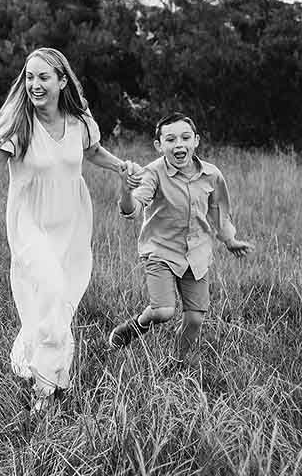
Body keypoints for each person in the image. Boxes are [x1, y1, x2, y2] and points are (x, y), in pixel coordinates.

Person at [0, 47, 140, 411]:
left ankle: (38, 361)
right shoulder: (19, 124)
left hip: (72, 222)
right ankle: (45, 388)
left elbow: (92, 150)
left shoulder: (79, 122)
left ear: (62, 81)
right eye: (29, 77)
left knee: (59, 303)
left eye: (43, 77)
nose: (34, 84)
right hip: (30, 222)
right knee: (48, 287)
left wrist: (120, 168)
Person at [108, 112, 254, 373]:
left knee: (195, 319)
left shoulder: (212, 175)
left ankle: (175, 364)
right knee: (163, 311)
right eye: (171, 139)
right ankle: (134, 327)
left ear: (195, 141)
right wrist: (125, 190)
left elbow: (219, 211)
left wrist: (229, 239)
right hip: (161, 251)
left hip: (196, 254)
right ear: (159, 145)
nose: (179, 145)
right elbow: (132, 209)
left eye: (185, 138)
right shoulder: (152, 173)